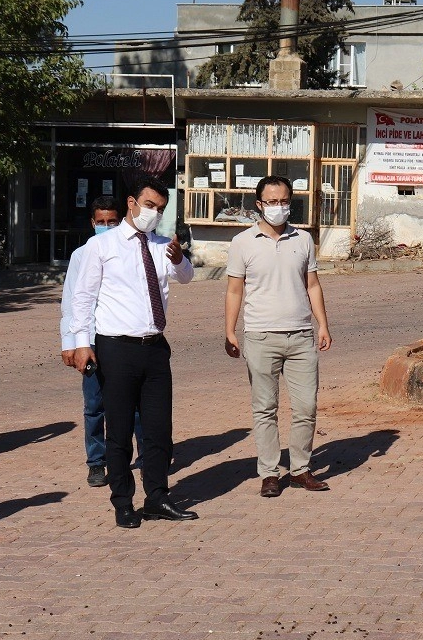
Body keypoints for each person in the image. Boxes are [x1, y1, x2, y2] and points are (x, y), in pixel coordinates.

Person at [70, 176, 198, 528]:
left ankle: (157, 497)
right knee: (120, 428)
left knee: (158, 430)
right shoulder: (102, 246)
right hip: (116, 348)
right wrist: (82, 343)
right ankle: (123, 501)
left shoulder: (161, 245)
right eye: (149, 205)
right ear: (131, 202)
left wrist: (180, 257)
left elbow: (185, 278)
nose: (153, 213)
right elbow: (83, 297)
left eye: (159, 209)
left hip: (155, 348)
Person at [224, 176, 333, 498]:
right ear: (259, 204)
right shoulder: (243, 242)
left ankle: (300, 468)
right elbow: (234, 289)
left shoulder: (303, 240)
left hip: (301, 336)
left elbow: (312, 284)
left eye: (283, 201)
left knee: (306, 407)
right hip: (260, 336)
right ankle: (270, 473)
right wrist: (230, 330)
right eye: (271, 202)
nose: (278, 207)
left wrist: (323, 324)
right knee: (265, 408)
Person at [60, 196, 148, 488]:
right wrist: (70, 342)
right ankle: (97, 462)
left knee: (134, 404)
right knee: (95, 405)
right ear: (92, 223)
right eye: (101, 223)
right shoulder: (81, 255)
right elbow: (72, 303)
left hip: (123, 340)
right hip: (92, 342)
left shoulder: (132, 249)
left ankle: (146, 457)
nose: (107, 227)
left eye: (112, 221)